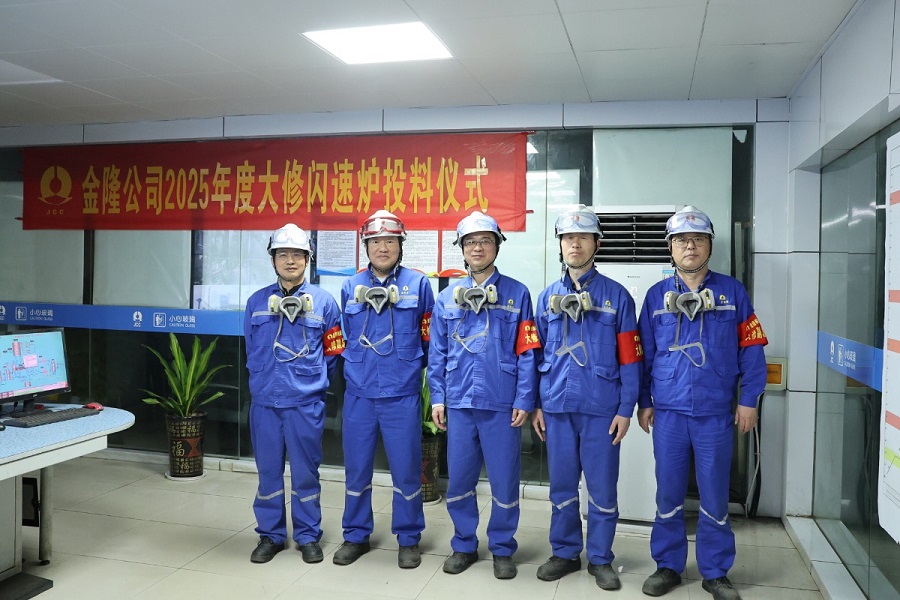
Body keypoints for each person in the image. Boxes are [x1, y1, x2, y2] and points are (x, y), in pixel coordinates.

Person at [637, 206, 768, 600]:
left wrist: (749, 399)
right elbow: (643, 354)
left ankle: (715, 571)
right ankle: (667, 565)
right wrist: (644, 401)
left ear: (710, 245)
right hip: (669, 412)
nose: (689, 246)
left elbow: (752, 348)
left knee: (714, 493)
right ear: (670, 248)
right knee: (668, 492)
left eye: (697, 239)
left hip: (716, 412)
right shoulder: (656, 296)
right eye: (681, 240)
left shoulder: (733, 293)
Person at [531, 205, 643, 591]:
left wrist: (626, 408)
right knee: (562, 487)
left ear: (596, 244)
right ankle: (564, 552)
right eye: (567, 237)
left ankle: (600, 557)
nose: (574, 244)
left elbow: (631, 358)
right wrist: (537, 405)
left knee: (602, 488)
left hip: (601, 409)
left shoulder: (617, 297)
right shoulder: (546, 298)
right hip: (557, 407)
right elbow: (535, 356)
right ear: (560, 244)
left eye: (582, 237)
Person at [427, 210, 541, 580]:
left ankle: (503, 547)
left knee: (504, 480)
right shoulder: (447, 298)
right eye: (471, 242)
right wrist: (438, 397)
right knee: (460, 479)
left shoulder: (517, 294)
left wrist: (524, 398)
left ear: (496, 247)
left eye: (485, 241)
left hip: (501, 402)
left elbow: (528, 351)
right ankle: (463, 544)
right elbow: (437, 353)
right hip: (460, 401)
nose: (478, 247)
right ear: (462, 248)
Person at [335, 209, 434, 569]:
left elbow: (429, 340)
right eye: (375, 241)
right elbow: (344, 337)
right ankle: (355, 535)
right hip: (359, 394)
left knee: (406, 470)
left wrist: (412, 374)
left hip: (401, 394)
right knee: (357, 469)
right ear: (366, 246)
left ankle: (408, 538)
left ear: (400, 245)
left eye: (389, 241)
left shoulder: (419, 285)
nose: (382, 247)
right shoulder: (350, 287)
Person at [244, 223, 345, 564]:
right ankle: (270, 535)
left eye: (297, 254)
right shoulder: (256, 302)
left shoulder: (325, 303)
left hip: (305, 404)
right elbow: (251, 350)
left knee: (305, 473)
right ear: (273, 259)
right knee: (268, 473)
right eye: (283, 254)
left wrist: (311, 385)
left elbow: (333, 355)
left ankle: (308, 535)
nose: (290, 260)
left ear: (307, 259)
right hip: (265, 404)